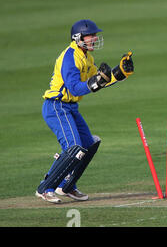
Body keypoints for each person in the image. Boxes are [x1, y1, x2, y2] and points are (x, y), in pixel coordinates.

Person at [36, 19, 134, 203]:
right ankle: (45, 187)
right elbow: (75, 88)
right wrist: (96, 82)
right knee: (73, 147)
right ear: (78, 37)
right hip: (56, 106)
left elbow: (99, 80)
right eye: (91, 35)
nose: (95, 38)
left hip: (70, 107)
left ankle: (67, 187)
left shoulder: (87, 57)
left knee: (89, 144)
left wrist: (119, 73)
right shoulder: (69, 57)